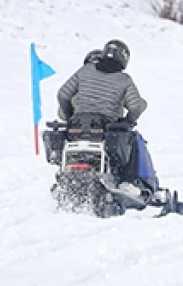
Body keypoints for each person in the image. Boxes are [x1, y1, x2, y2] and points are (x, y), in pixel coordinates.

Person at [57, 39, 155, 197]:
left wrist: (70, 117)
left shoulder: (84, 71)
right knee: (132, 139)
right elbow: (136, 106)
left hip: (77, 126)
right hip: (105, 129)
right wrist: (127, 122)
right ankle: (127, 182)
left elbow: (62, 94)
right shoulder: (124, 80)